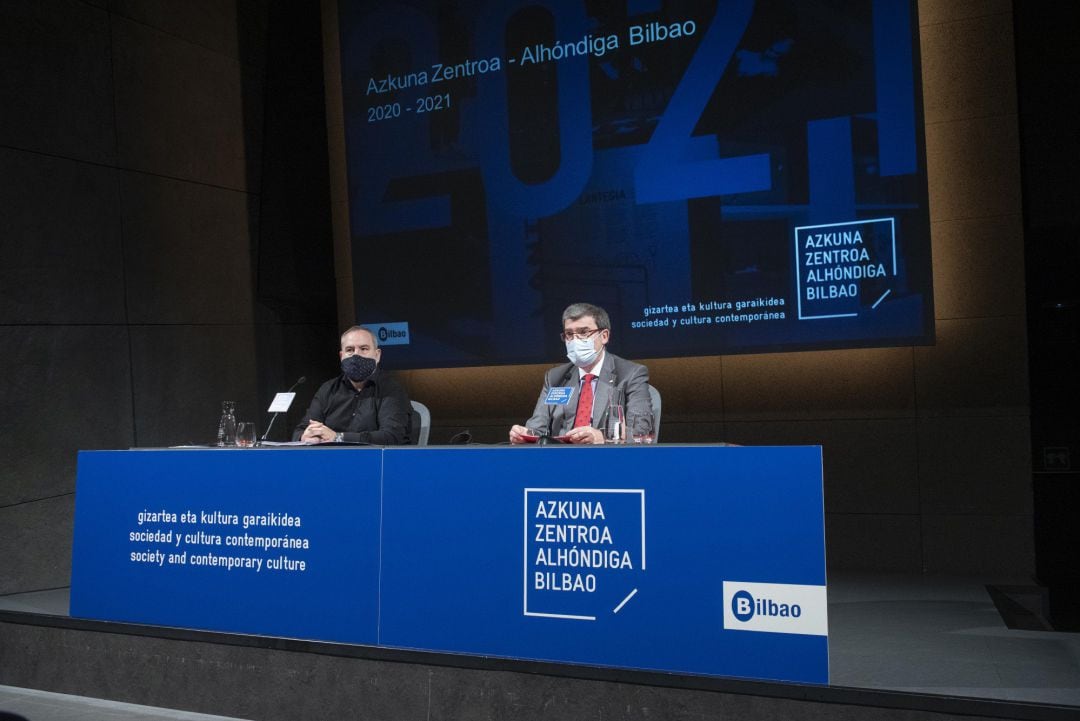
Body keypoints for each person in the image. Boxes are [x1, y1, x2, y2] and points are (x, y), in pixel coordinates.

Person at [510, 302, 651, 444]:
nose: (575, 340)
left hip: (607, 459)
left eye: (584, 332)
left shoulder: (631, 374)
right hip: (560, 459)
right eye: (569, 334)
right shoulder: (555, 378)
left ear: (604, 336)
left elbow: (641, 431)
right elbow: (537, 429)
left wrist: (602, 438)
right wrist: (525, 435)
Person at [293, 326, 411, 445]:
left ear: (377, 355)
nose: (356, 355)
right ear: (341, 356)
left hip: (373, 460)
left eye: (364, 349)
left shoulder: (392, 389)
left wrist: (338, 437)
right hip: (331, 460)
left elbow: (392, 436)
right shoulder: (328, 389)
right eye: (349, 350)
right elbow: (301, 429)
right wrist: (306, 436)